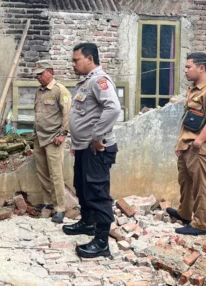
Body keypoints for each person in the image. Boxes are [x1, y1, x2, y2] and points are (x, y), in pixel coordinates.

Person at [63, 42, 121, 259]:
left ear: (89, 58)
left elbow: (113, 108)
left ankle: (101, 242)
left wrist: (97, 136)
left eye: (76, 60)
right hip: (83, 147)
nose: (73, 64)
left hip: (97, 148)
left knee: (98, 193)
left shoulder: (100, 80)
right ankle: (87, 223)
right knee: (83, 187)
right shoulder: (86, 82)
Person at [167, 52, 206, 236]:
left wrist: (198, 143)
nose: (185, 70)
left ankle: (200, 224)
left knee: (201, 186)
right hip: (187, 145)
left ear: (201, 68)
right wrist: (180, 143)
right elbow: (188, 120)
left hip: (199, 148)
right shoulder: (193, 89)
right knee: (185, 182)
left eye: (188, 66)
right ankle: (185, 213)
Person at [32, 60, 71, 223]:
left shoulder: (60, 90)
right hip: (39, 137)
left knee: (56, 174)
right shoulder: (39, 91)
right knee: (42, 172)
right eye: (37, 75)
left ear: (50, 72)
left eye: (41, 74)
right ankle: (48, 203)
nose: (38, 77)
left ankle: (60, 208)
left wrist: (63, 134)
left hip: (54, 138)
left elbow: (68, 114)